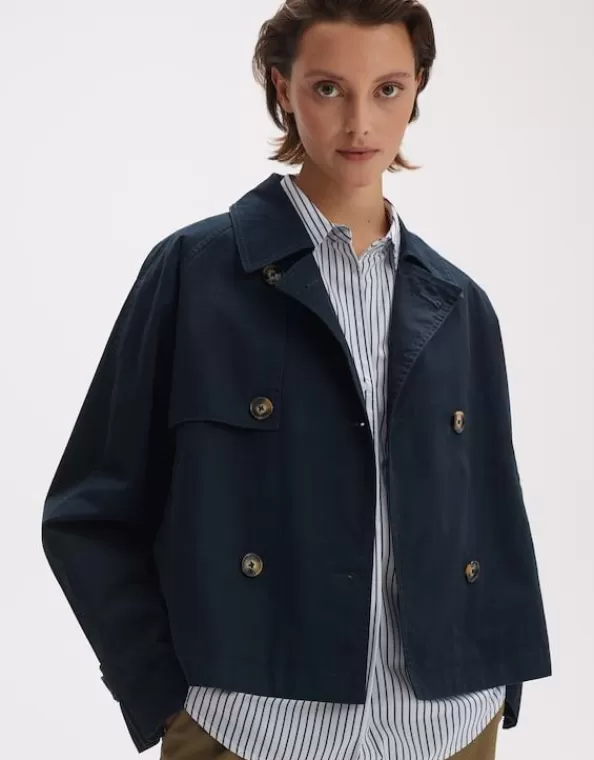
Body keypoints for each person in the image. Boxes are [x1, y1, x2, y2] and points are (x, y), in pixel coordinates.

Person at [41, 1, 552, 758]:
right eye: (328, 88)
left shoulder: (461, 306)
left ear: (417, 89)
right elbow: (88, 513)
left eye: (387, 89)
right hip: (248, 729)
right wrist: (164, 698)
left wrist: (498, 685)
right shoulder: (193, 275)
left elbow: (494, 517)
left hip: (449, 728)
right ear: (283, 88)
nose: (360, 124)